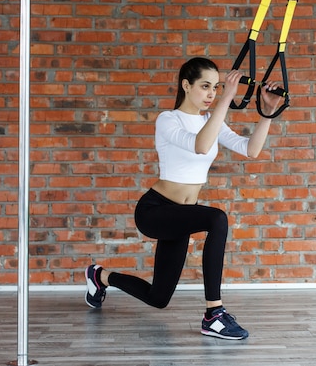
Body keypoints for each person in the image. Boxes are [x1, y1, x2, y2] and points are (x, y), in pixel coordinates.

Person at [84, 57, 283, 340]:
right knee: (217, 218)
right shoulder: (169, 119)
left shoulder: (209, 121)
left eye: (216, 87)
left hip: (180, 217)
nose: (212, 94)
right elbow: (201, 146)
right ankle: (214, 313)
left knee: (158, 297)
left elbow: (250, 149)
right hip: (155, 211)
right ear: (186, 85)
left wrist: (267, 113)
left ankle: (99, 276)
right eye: (205, 86)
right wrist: (227, 98)